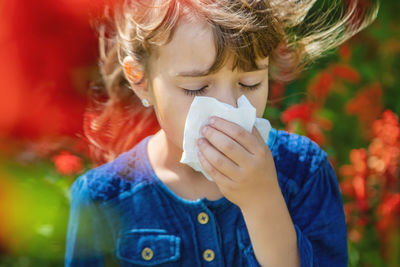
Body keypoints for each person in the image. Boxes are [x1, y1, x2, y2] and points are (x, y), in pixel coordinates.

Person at [65, 0, 379, 266]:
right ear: (140, 80)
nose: (228, 107)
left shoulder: (304, 171)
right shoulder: (102, 199)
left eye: (250, 84)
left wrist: (262, 202)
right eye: (196, 88)